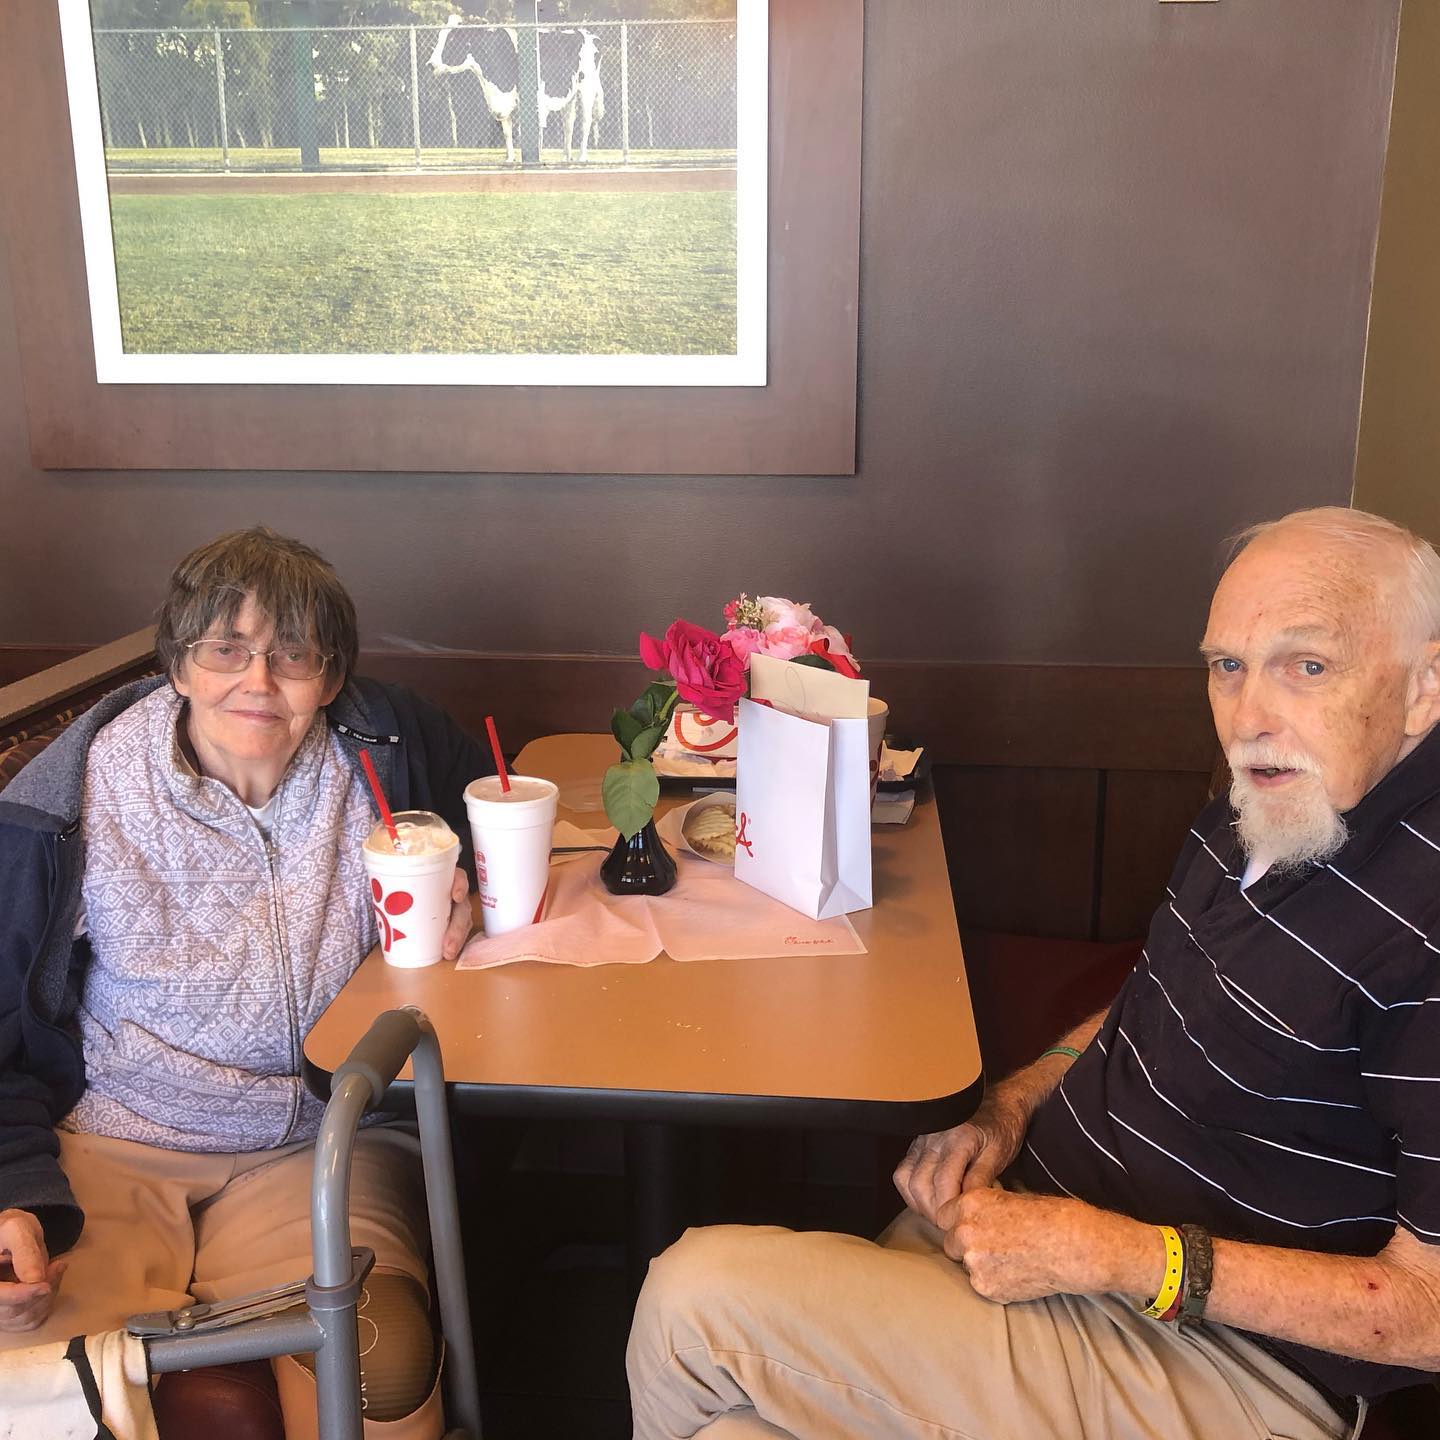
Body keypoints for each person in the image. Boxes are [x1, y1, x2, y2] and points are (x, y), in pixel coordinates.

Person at [627, 506, 1440, 1440]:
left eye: (1308, 666)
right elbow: (1157, 995)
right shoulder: (1276, 803)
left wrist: (1120, 1256)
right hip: (1045, 1234)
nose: (1249, 717)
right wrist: (1009, 1107)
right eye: (1227, 666)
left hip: (1228, 1363)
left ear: (1425, 687)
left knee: (691, 1302)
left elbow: (1428, 1318)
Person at [0, 528, 493, 1438]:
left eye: (293, 654)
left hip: (321, 1138)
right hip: (110, 1144)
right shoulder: (66, 803)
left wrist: (480, 895)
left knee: (380, 1375)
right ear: (177, 665)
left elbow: (507, 823)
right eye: (225, 650)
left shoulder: (390, 745)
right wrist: (13, 1194)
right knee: (31, 1377)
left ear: (330, 678)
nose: (258, 681)